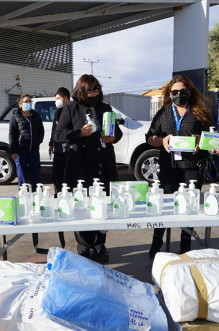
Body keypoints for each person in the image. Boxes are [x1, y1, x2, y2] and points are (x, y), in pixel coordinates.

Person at [54, 74, 123, 262]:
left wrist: (113, 137)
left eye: (97, 90)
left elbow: (117, 132)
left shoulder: (105, 108)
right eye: (90, 91)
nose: (94, 94)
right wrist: (79, 133)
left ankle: (100, 245)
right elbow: (58, 135)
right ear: (81, 91)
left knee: (103, 203)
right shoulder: (70, 109)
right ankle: (84, 246)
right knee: (82, 203)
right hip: (80, 162)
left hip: (103, 161)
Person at [145, 75, 212, 258]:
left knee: (189, 208)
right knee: (164, 206)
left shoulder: (200, 112)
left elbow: (211, 137)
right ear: (169, 93)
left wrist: (201, 139)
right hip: (168, 167)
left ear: (189, 91)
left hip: (192, 166)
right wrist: (162, 139)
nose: (178, 95)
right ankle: (156, 243)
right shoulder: (164, 113)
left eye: (182, 91)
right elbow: (149, 138)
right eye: (174, 92)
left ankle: (185, 247)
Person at [9, 94, 45, 191]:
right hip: (21, 150)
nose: (28, 103)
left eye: (30, 101)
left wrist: (38, 141)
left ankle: (37, 196)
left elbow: (41, 131)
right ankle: (24, 198)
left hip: (34, 150)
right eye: (26, 101)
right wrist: (13, 151)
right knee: (22, 176)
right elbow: (12, 134)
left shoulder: (36, 115)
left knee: (36, 175)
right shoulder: (15, 116)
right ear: (20, 104)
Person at [49, 87, 71, 196]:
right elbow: (55, 129)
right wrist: (51, 144)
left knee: (68, 175)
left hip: (70, 149)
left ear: (65, 97)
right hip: (58, 148)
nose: (56, 100)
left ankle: (68, 195)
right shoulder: (58, 111)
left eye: (58, 98)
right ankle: (57, 194)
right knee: (57, 173)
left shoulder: (74, 109)